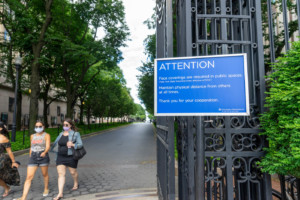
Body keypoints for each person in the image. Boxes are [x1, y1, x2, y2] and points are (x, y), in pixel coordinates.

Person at [14, 121, 51, 200]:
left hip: (43, 156)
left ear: (43, 127)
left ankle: (46, 188)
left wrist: (44, 152)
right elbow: (31, 146)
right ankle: (23, 197)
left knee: (44, 174)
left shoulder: (46, 135)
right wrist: (30, 155)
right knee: (29, 177)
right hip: (33, 157)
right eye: (36, 126)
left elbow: (48, 146)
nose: (38, 128)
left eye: (40, 126)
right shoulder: (32, 136)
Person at [51, 118, 83, 200]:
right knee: (61, 174)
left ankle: (76, 182)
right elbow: (56, 143)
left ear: (71, 125)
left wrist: (73, 144)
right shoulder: (61, 133)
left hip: (71, 156)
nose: (64, 126)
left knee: (73, 172)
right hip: (60, 156)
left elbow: (80, 145)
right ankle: (60, 193)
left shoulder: (75, 134)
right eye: (63, 125)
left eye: (66, 125)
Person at [0, 121, 20, 197]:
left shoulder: (4, 139)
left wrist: (13, 162)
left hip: (1, 159)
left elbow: (9, 152)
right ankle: (6, 187)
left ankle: (7, 187)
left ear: (0, 128)